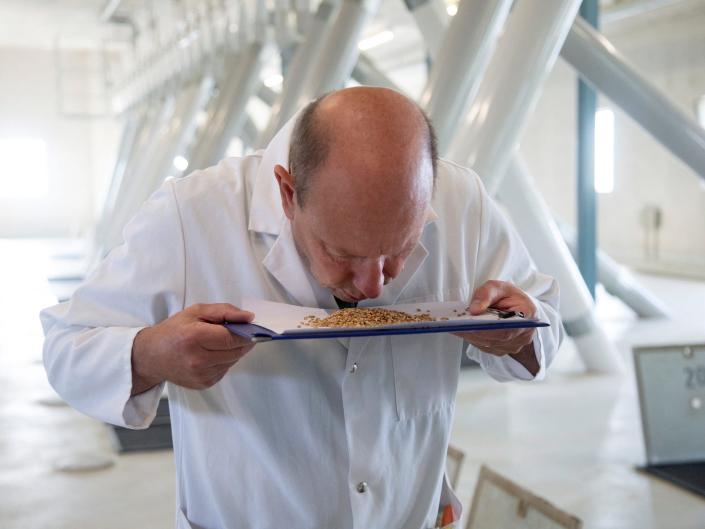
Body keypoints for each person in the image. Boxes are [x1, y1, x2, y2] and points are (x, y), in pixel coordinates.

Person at [41, 87, 562, 529]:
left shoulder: (463, 202)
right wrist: (151, 355)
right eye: (343, 254)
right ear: (288, 194)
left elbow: (545, 316)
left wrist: (521, 331)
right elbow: (67, 344)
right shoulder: (193, 216)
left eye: (400, 249)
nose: (375, 284)